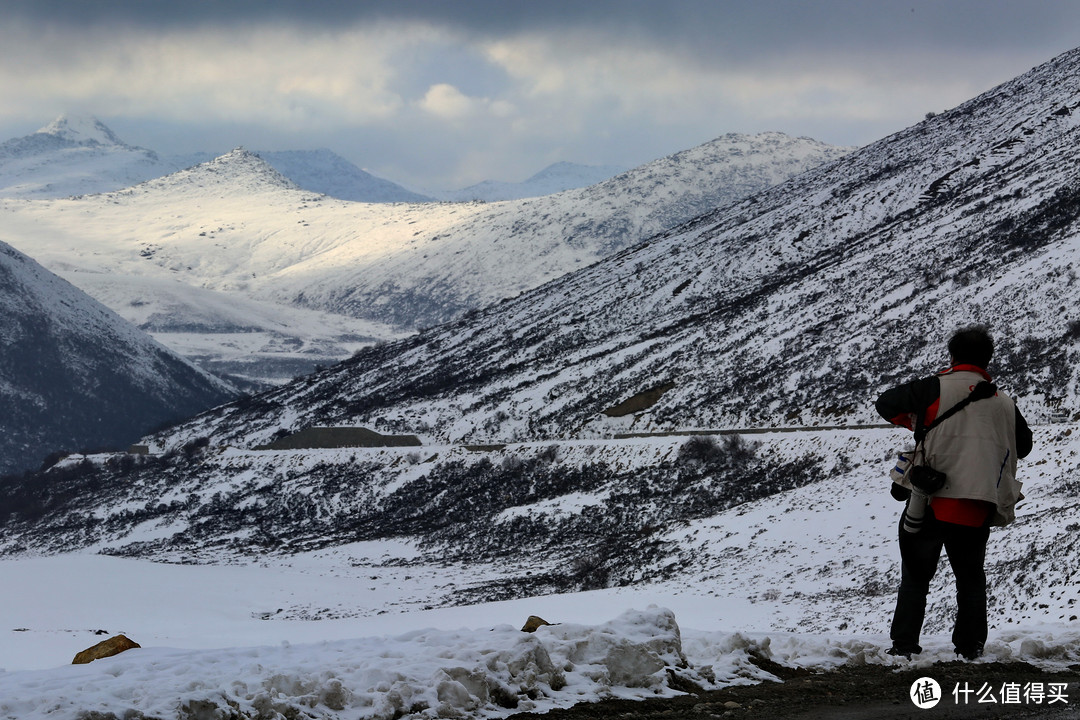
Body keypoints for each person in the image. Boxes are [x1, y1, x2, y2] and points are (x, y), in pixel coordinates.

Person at [875, 326, 1033, 660]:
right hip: (976, 504)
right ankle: (970, 647)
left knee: (916, 578)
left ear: (952, 355)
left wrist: (919, 422)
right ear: (987, 360)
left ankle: (904, 647)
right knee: (971, 580)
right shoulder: (1004, 402)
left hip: (928, 499)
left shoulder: (932, 388)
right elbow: (1025, 445)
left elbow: (885, 403)